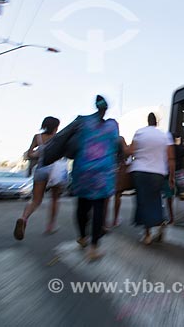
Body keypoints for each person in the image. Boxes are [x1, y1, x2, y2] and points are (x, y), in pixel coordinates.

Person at [71, 95, 120, 260]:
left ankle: (82, 237)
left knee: (82, 206)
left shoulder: (83, 122)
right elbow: (115, 143)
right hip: (102, 173)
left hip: (82, 170)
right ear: (105, 109)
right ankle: (93, 248)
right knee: (99, 207)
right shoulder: (112, 125)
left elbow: (71, 139)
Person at [128, 112, 175, 245]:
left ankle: (147, 234)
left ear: (148, 121)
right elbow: (171, 158)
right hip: (158, 173)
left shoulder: (139, 132)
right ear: (157, 122)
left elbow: (131, 151)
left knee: (143, 202)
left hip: (140, 171)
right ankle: (161, 222)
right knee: (155, 200)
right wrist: (171, 176)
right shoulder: (165, 135)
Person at [13, 116, 63, 240]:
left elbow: (30, 154)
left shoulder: (38, 137)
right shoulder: (59, 137)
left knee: (36, 200)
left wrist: (38, 152)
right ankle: (50, 226)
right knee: (55, 199)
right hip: (55, 170)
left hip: (41, 169)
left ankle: (23, 218)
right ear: (56, 126)